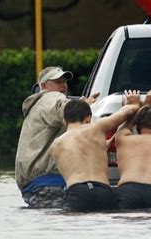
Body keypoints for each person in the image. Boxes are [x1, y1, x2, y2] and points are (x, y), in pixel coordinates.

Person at [15, 66, 100, 208]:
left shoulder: (38, 105)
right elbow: (64, 109)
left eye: (64, 82)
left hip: (35, 186)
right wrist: (84, 105)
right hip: (49, 183)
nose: (63, 85)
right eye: (57, 81)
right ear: (44, 86)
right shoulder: (50, 97)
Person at [49, 93, 139, 212]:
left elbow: (78, 156)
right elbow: (127, 112)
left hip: (77, 192)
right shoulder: (97, 128)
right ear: (88, 118)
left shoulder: (55, 146)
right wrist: (135, 103)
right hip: (103, 191)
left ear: (65, 121)